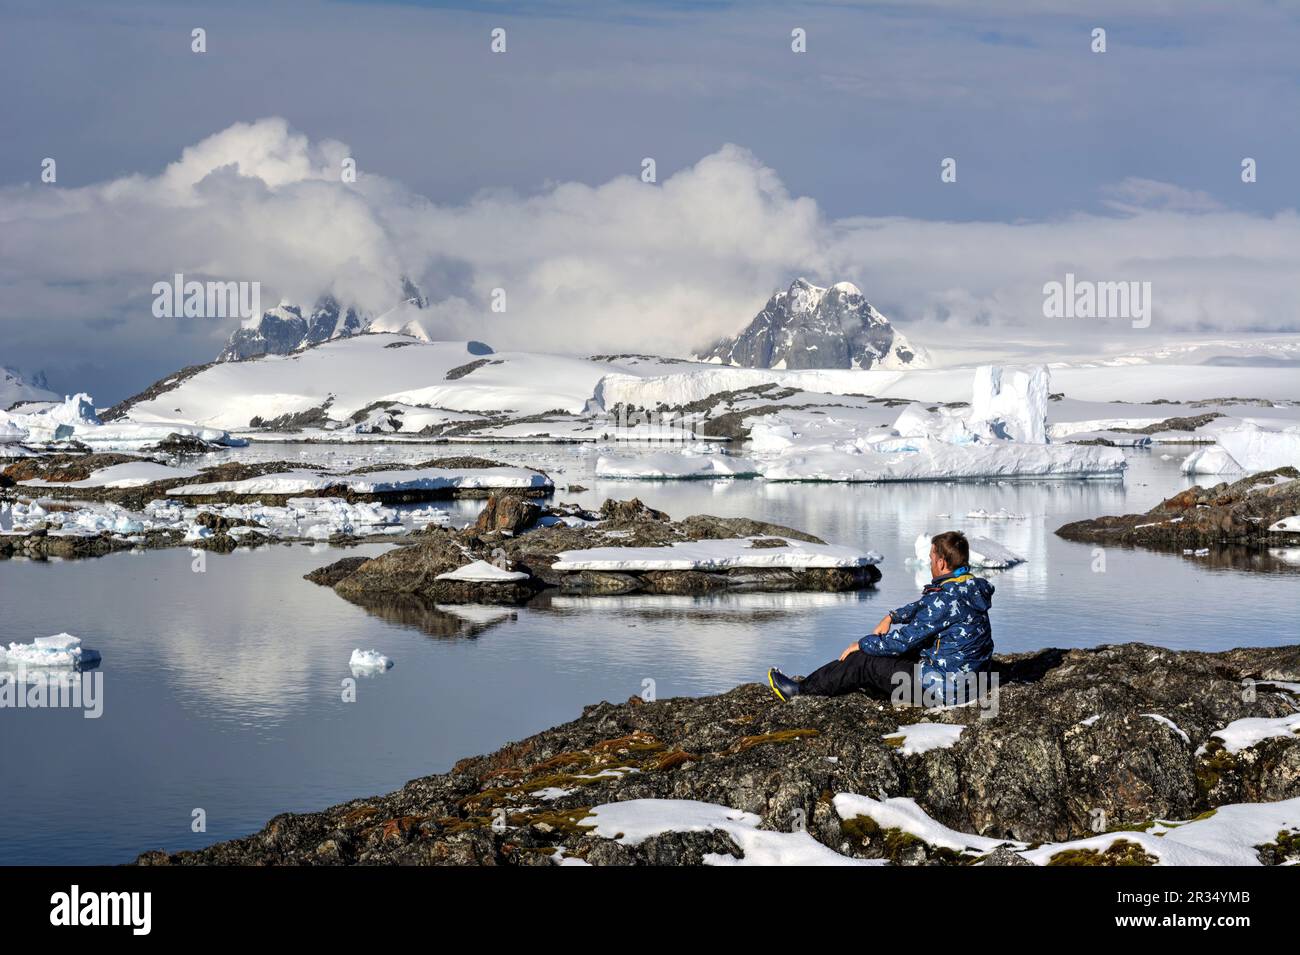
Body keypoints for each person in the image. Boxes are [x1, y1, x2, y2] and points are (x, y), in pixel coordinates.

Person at [767, 530, 994, 706]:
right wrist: (893, 616)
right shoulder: (970, 588)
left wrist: (862, 644)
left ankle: (801, 692)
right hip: (973, 684)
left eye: (931, 558)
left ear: (941, 563)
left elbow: (901, 642)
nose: (930, 563)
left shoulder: (942, 600)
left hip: (944, 692)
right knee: (897, 654)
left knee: (864, 661)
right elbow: (927, 607)